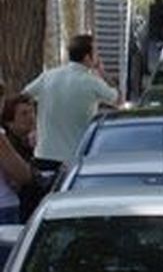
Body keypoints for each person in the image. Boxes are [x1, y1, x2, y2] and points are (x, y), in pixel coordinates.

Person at [21, 34, 119, 172]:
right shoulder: (92, 81)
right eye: (96, 52)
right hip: (75, 158)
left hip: (44, 154)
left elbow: (23, 97)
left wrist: (32, 127)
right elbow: (117, 99)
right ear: (87, 57)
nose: (98, 57)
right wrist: (101, 71)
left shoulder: (48, 76)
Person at [1, 95, 38, 221]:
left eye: (32, 112)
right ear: (9, 122)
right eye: (24, 114)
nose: (31, 117)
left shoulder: (28, 143)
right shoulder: (9, 143)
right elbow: (20, 178)